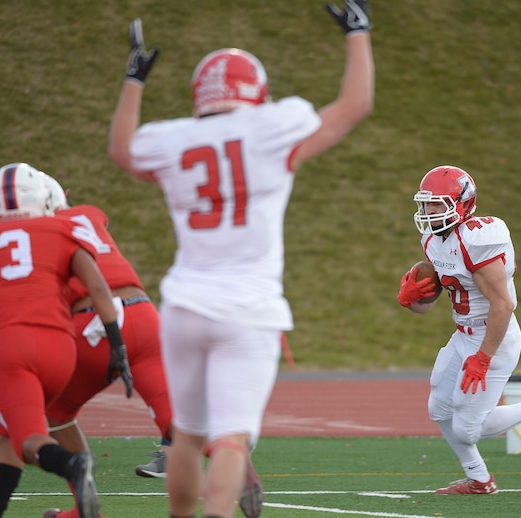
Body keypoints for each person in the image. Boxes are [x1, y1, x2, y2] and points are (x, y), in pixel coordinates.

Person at [108, 1, 375, 516]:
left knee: (186, 437)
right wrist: (357, 33)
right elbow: (355, 104)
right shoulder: (274, 128)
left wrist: (134, 80)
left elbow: (123, 151)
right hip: (248, 308)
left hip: (184, 304)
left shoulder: (176, 139)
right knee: (229, 439)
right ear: (256, 91)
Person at [0, 163, 133, 518]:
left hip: (14, 347)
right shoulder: (64, 229)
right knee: (8, 433)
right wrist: (118, 345)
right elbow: (99, 288)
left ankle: (72, 465)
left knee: (28, 439)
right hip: (62, 350)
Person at [397, 165, 521, 495]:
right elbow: (437, 300)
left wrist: (483, 358)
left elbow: (503, 305)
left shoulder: (477, 239)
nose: (428, 212)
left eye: (437, 204)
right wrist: (411, 300)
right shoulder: (432, 239)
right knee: (439, 408)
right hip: (464, 334)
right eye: (425, 204)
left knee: (468, 430)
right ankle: (480, 480)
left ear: (462, 203)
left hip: (494, 337)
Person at [39, 174, 173, 518]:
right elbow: (97, 225)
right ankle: (232, 451)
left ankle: (87, 507)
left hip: (94, 322)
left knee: (55, 413)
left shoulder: (35, 232)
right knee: (175, 424)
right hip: (144, 314)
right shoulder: (88, 213)